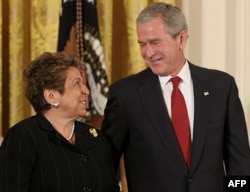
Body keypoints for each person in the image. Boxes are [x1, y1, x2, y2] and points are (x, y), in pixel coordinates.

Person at [101, 2, 250, 192]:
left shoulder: (221, 87)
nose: (148, 53)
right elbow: (105, 166)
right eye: (142, 44)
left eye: (155, 42)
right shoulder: (125, 95)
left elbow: (240, 163)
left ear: (181, 39)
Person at [0, 52, 120, 192]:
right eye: (76, 84)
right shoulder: (23, 137)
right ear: (51, 96)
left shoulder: (96, 138)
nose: (86, 90)